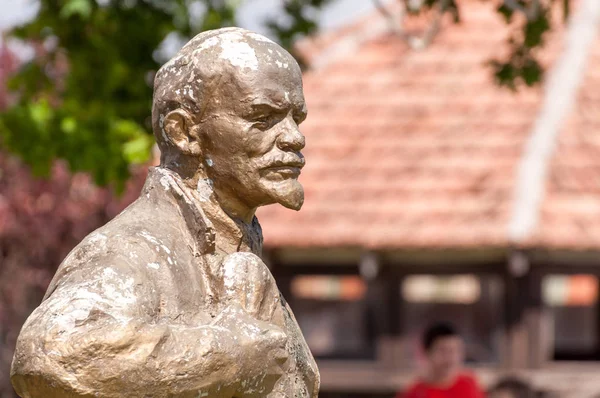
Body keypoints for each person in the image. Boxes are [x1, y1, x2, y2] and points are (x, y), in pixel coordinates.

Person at [11, 28, 319, 397]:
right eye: (263, 118)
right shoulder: (134, 249)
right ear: (185, 132)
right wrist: (233, 350)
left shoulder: (236, 249)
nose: (294, 137)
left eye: (295, 118)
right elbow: (48, 353)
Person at [398, 322, 485, 398]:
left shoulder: (469, 384)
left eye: (455, 350)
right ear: (427, 352)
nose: (451, 358)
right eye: (443, 350)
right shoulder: (415, 393)